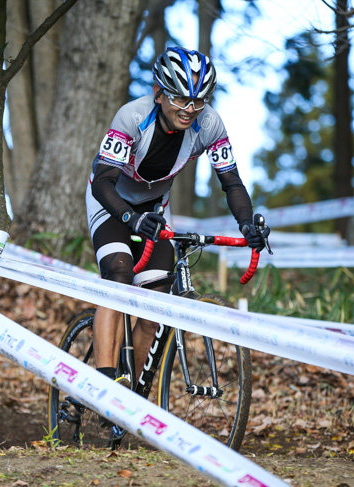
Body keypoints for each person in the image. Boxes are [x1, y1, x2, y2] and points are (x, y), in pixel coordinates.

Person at [85, 46, 270, 395]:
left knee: (157, 296)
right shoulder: (132, 117)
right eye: (181, 100)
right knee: (119, 274)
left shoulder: (209, 123)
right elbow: (104, 181)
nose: (190, 110)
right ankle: (103, 384)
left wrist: (246, 224)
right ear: (158, 93)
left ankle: (132, 397)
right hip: (110, 201)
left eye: (199, 101)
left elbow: (231, 181)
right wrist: (130, 218)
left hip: (155, 206)